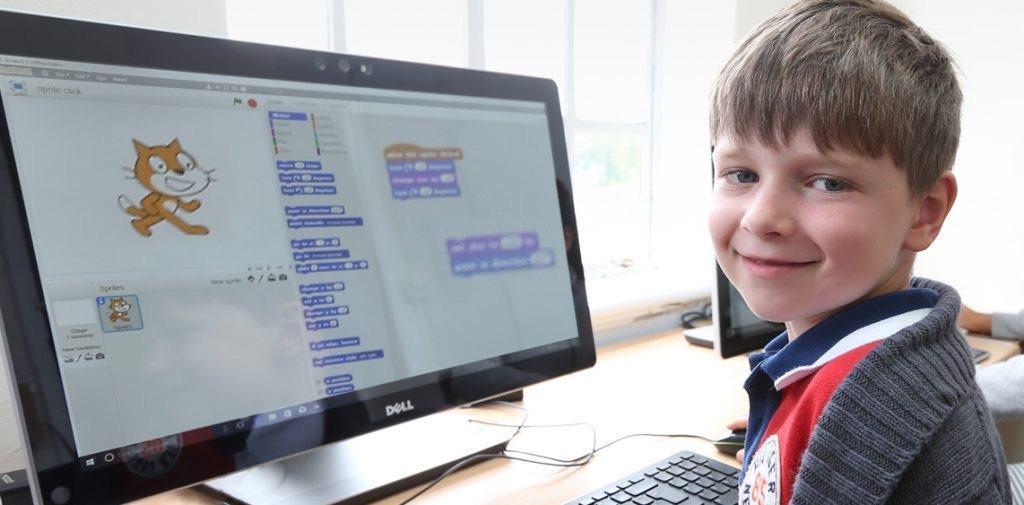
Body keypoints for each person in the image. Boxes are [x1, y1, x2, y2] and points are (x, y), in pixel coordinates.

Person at [708, 1, 1010, 503]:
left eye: (827, 182)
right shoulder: (876, 359)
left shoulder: (855, 400)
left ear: (924, 212)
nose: (760, 217)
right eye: (741, 174)